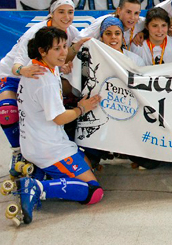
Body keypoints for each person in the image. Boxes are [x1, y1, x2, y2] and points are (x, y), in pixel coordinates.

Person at [10, 26, 103, 225]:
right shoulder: (45, 81)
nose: (64, 53)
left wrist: (67, 58)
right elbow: (59, 118)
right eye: (57, 49)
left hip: (37, 142)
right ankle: (36, 187)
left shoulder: (35, 66)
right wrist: (81, 108)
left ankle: (38, 171)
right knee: (94, 191)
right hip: (48, 148)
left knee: (88, 163)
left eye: (64, 46)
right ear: (43, 51)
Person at [0, 0, 84, 178]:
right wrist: (24, 71)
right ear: (51, 13)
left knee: (73, 91)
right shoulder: (35, 33)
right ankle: (17, 151)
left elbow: (80, 44)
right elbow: (16, 65)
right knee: (7, 111)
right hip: (14, 75)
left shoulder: (72, 31)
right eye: (61, 12)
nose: (66, 17)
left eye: (70, 12)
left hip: (40, 74)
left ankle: (61, 141)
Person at [74, 0, 145, 51]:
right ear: (119, 11)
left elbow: (155, 24)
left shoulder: (140, 22)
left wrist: (145, 33)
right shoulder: (101, 23)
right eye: (128, 12)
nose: (132, 17)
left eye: (136, 13)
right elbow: (76, 43)